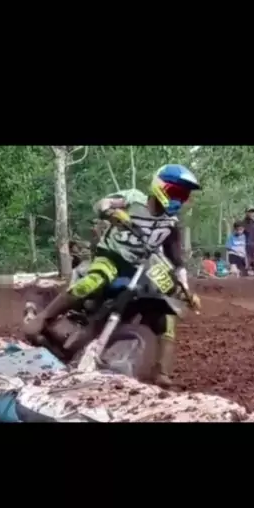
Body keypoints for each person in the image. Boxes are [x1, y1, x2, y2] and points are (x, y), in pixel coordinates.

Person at [24, 164, 202, 388]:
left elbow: (176, 259)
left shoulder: (171, 223)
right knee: (94, 280)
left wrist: (185, 289)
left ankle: (162, 373)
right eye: (175, 193)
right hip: (112, 258)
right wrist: (111, 212)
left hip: (141, 268)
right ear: (160, 187)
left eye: (183, 196)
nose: (179, 200)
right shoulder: (133, 199)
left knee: (166, 311)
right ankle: (43, 318)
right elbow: (102, 204)